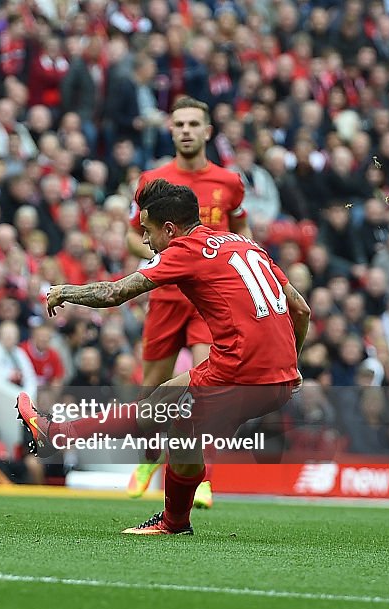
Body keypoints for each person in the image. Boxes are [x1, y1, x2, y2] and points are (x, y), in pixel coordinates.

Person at [18, 179, 310, 535]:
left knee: (179, 427)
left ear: (170, 229)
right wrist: (290, 365)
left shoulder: (184, 249)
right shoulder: (246, 245)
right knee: (160, 402)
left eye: (147, 230)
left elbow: (114, 293)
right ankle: (57, 434)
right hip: (275, 375)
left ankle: (174, 522)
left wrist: (65, 291)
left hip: (241, 373)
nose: (144, 240)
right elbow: (301, 308)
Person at [123, 96, 248, 507]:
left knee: (203, 390)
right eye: (180, 124)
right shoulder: (151, 181)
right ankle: (147, 460)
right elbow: (131, 235)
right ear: (171, 130)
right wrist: (167, 262)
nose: (187, 130)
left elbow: (243, 237)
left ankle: (202, 477)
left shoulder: (229, 183)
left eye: (195, 123)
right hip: (165, 298)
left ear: (208, 130)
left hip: (209, 304)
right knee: (151, 391)